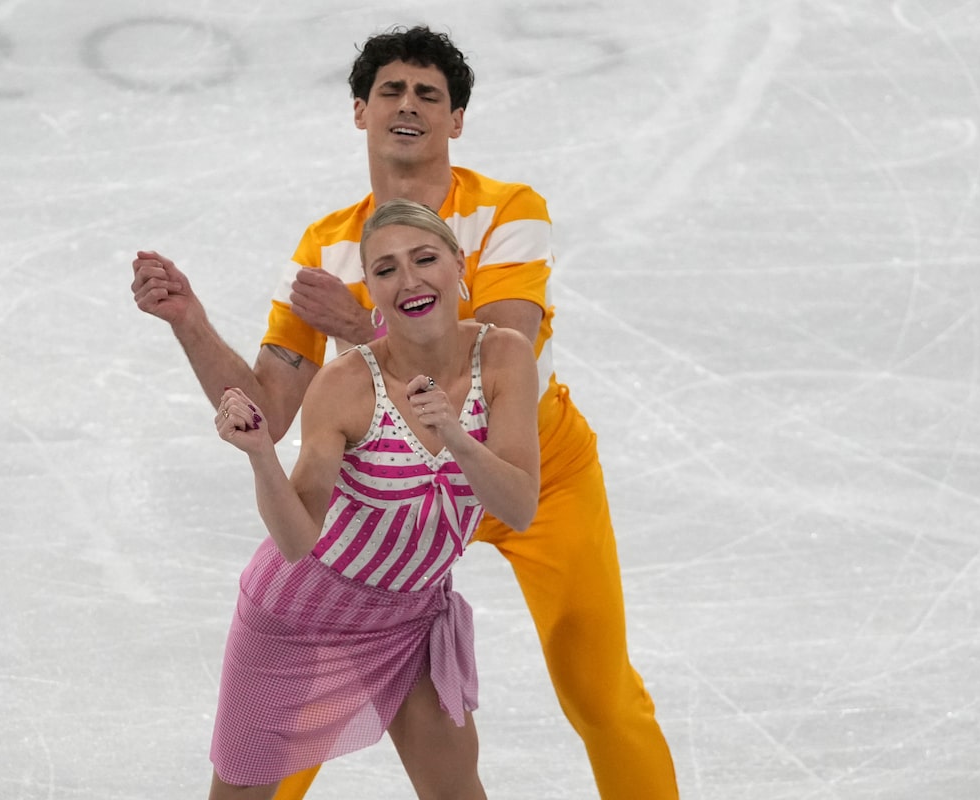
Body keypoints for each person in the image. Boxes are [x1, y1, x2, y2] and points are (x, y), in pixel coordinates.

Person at [131, 25, 678, 800]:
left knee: (599, 694)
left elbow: (500, 356)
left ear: (456, 120)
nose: (409, 104)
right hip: (398, 502)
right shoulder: (326, 248)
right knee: (283, 750)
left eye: (431, 93)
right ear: (360, 111)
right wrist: (189, 320)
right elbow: (271, 410)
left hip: (534, 471)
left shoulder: (507, 212)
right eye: (391, 90)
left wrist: (361, 331)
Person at [206, 198, 541, 798]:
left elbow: (519, 506)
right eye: (385, 270)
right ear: (372, 291)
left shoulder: (503, 355)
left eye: (425, 259)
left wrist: (457, 437)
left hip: (410, 617)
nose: (409, 279)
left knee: (457, 789)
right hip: (296, 619)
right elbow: (296, 538)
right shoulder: (346, 384)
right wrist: (261, 455)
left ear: (459, 264)